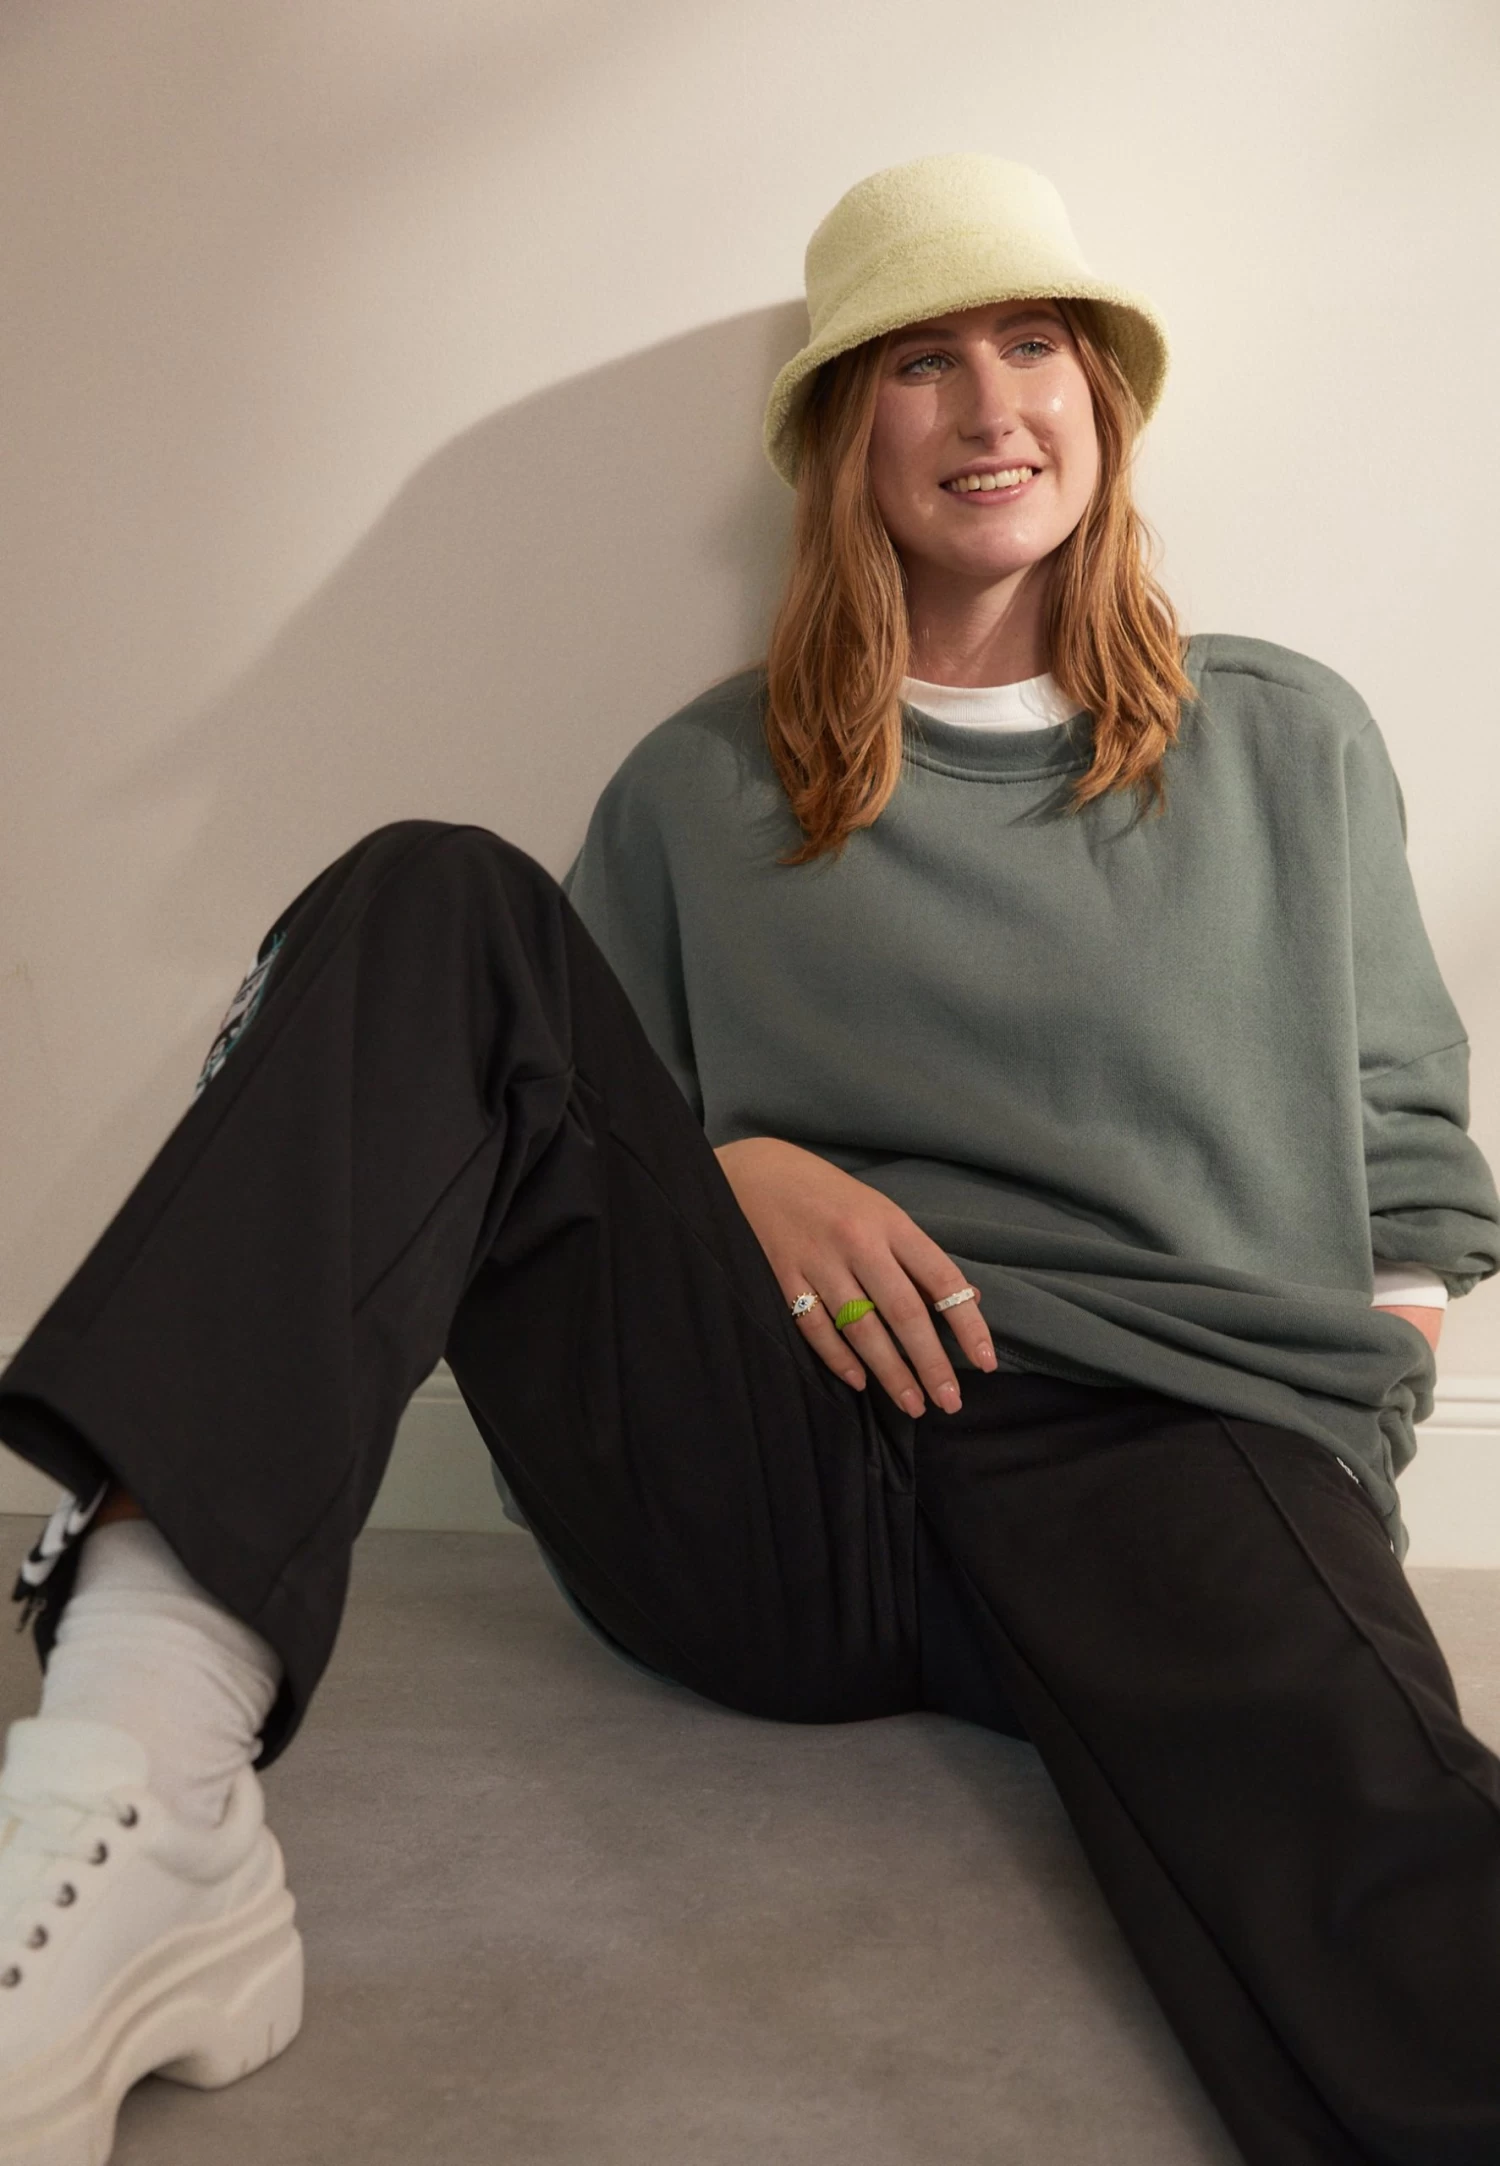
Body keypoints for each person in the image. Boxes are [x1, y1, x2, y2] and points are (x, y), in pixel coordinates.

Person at [1, 150, 1497, 2166]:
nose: (989, 406)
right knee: (434, 898)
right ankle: (132, 1777)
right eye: (920, 364)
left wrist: (1346, 1437)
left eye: (1034, 344)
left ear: (1102, 397)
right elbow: (542, 1144)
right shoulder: (703, 787)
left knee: (1394, 1885)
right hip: (789, 1482)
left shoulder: (1286, 740)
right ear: (841, 435)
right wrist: (726, 1178)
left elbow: (1412, 1153)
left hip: (1170, 1438)